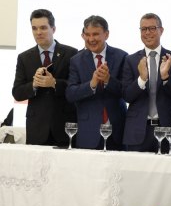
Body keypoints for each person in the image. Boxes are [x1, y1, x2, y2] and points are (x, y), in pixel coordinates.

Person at [12, 9, 78, 146]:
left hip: (64, 126)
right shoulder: (24, 58)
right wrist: (34, 85)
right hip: (36, 128)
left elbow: (76, 86)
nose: (38, 32)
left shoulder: (71, 53)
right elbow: (17, 93)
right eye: (34, 28)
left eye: (43, 28)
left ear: (53, 29)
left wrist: (54, 83)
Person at [122, 13, 171, 153]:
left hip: (168, 128)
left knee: (169, 174)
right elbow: (126, 95)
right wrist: (142, 79)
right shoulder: (131, 60)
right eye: (143, 29)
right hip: (138, 130)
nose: (147, 33)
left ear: (161, 30)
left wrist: (165, 76)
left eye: (152, 28)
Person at [66, 15, 127, 150]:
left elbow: (127, 92)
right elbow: (70, 94)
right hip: (88, 132)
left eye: (95, 34)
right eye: (87, 34)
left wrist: (108, 81)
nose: (91, 39)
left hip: (117, 131)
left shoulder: (122, 56)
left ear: (106, 34)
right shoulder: (76, 60)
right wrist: (91, 84)